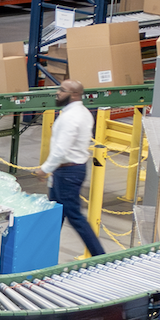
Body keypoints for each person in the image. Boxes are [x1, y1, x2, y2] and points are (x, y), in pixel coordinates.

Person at [39, 78, 105, 257]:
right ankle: (43, 252)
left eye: (62, 90)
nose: (58, 93)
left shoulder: (71, 117)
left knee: (74, 216)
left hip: (67, 171)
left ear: (74, 94)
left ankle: (100, 255)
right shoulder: (81, 112)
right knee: (55, 213)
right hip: (66, 170)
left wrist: (45, 168)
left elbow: (61, 149)